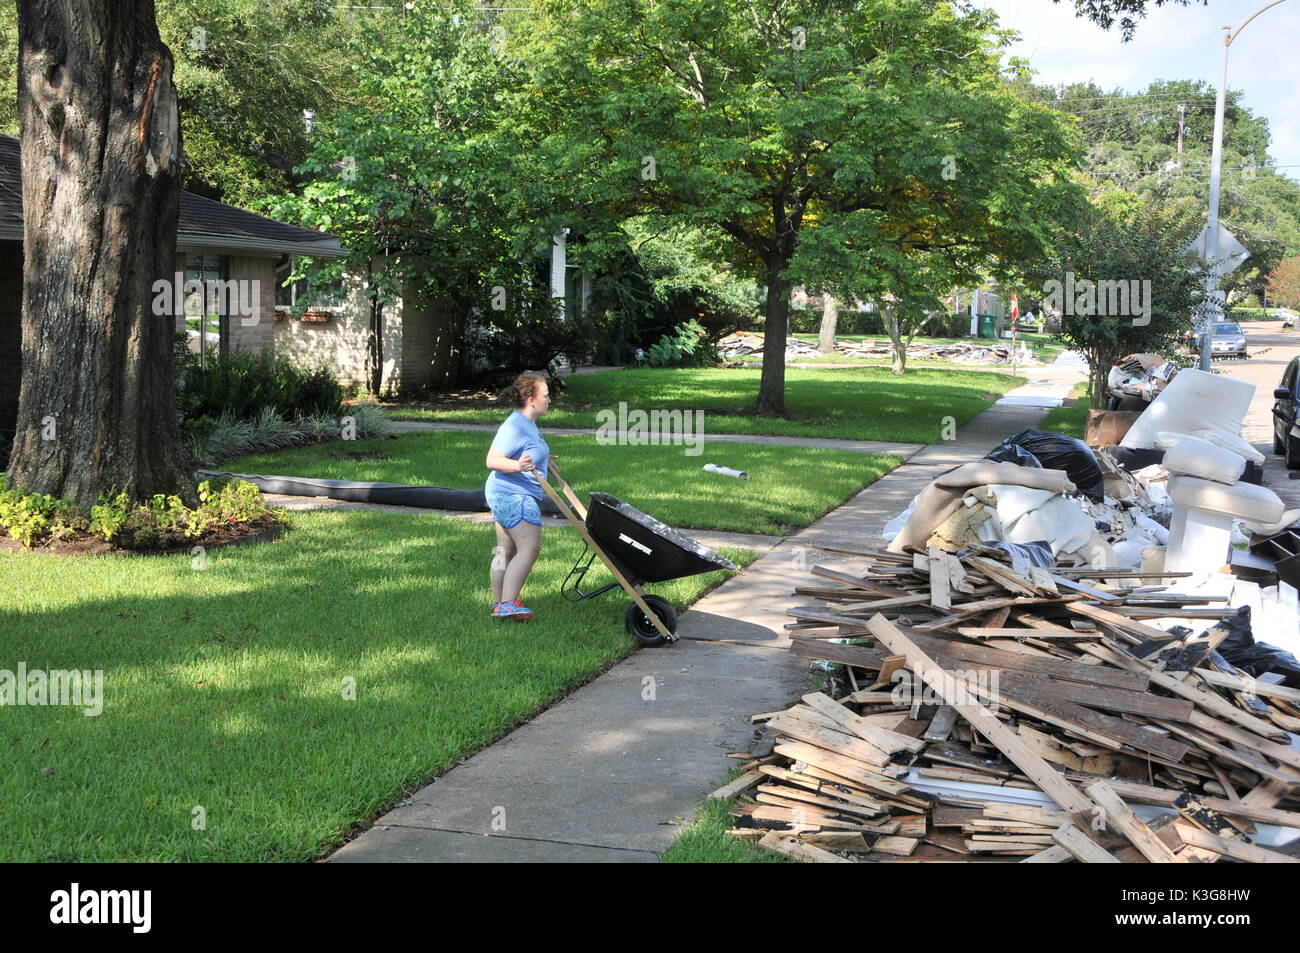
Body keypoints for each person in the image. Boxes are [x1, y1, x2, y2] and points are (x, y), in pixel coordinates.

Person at [484, 372, 559, 620]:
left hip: (503, 492)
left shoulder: (527, 423)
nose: (549, 400)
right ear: (531, 399)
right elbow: (492, 460)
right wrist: (519, 467)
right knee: (530, 547)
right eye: (546, 396)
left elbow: (526, 452)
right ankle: (507, 604)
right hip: (514, 495)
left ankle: (500, 603)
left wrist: (545, 461)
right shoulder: (515, 426)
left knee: (504, 549)